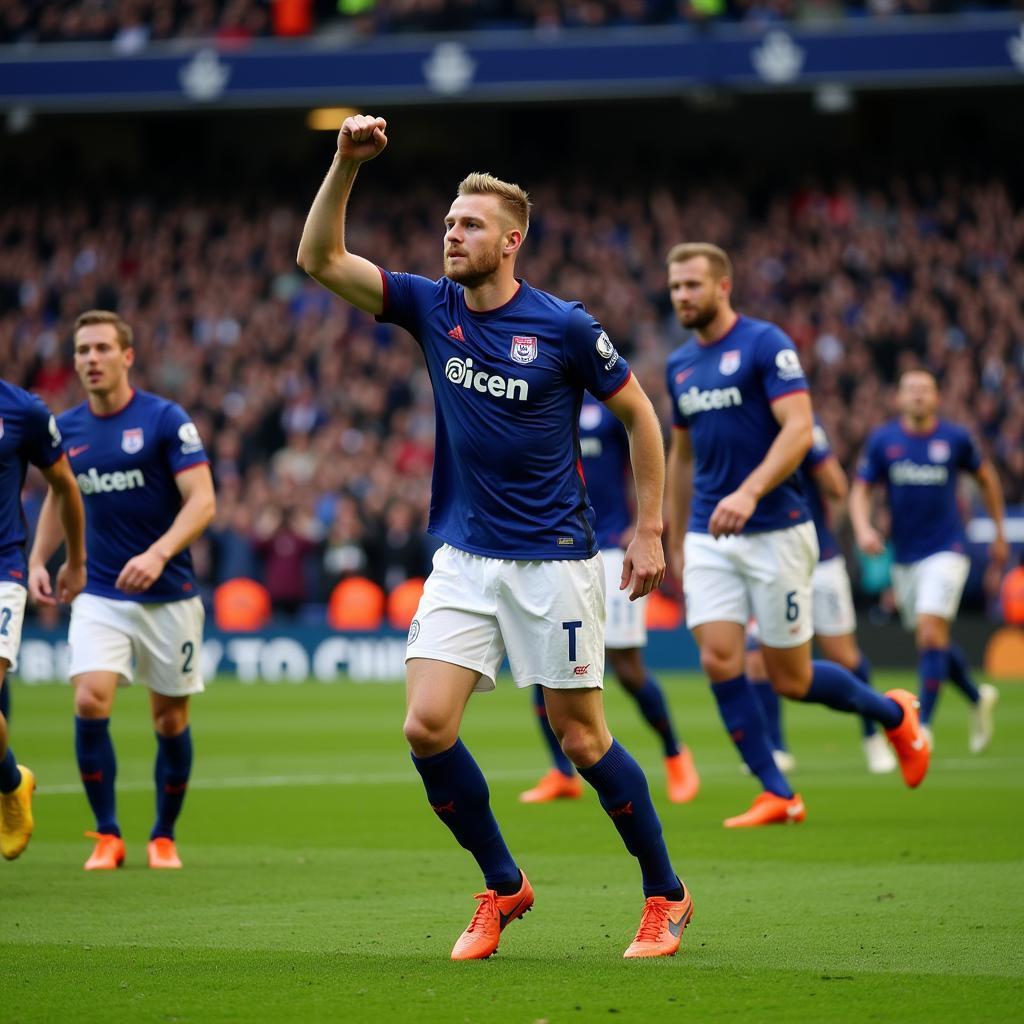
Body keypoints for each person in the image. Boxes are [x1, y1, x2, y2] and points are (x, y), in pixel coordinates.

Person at [298, 114, 691, 960]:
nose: (451, 234)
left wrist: (649, 530)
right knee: (425, 727)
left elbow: (641, 416)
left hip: (555, 560)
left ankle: (666, 894)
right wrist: (344, 165)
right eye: (447, 223)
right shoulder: (429, 306)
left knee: (582, 738)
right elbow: (320, 261)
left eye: (469, 225)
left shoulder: (564, 326)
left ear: (510, 241)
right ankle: (504, 884)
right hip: (466, 559)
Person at [663, 243, 929, 829]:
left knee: (792, 678)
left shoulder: (766, 345)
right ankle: (776, 791)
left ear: (723, 286)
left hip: (776, 532)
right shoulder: (679, 363)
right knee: (719, 658)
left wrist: (750, 491)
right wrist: (672, 536)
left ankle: (893, 714)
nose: (681, 295)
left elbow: (801, 429)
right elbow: (682, 457)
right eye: (675, 286)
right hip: (711, 534)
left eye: (692, 285)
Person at [29, 310, 216, 871]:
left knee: (169, 721)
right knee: (89, 699)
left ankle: (163, 835)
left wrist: (158, 551)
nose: (90, 359)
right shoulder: (65, 430)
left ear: (126, 356)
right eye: (82, 350)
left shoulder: (164, 419)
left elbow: (202, 502)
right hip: (101, 592)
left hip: (170, 594)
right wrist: (39, 558)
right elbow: (61, 500)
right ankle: (107, 834)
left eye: (102, 349)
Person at [520, 393, 700, 805]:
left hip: (611, 546)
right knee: (544, 664)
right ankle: (561, 772)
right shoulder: (538, 399)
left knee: (628, 666)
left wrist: (643, 524)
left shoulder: (605, 406)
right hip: (556, 549)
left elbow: (646, 447)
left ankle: (675, 753)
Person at [850, 368, 1005, 752]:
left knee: (930, 634)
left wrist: (999, 531)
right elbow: (861, 491)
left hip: (947, 549)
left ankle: (922, 727)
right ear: (898, 398)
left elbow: (987, 479)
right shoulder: (884, 440)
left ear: (937, 397)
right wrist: (863, 528)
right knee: (931, 637)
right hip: (904, 557)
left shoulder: (955, 439)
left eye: (925, 389)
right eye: (910, 389)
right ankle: (975, 695)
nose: (918, 395)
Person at [745, 418, 898, 775]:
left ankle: (872, 734)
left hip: (818, 557)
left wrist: (809, 451)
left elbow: (837, 488)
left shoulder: (802, 427)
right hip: (764, 559)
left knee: (843, 656)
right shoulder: (739, 423)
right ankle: (777, 748)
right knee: (756, 657)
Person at [0, 380, 86, 860]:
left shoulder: (21, 409)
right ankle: (11, 778)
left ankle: (10, 787)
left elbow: (64, 484)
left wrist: (73, 560)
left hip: (1, 567)